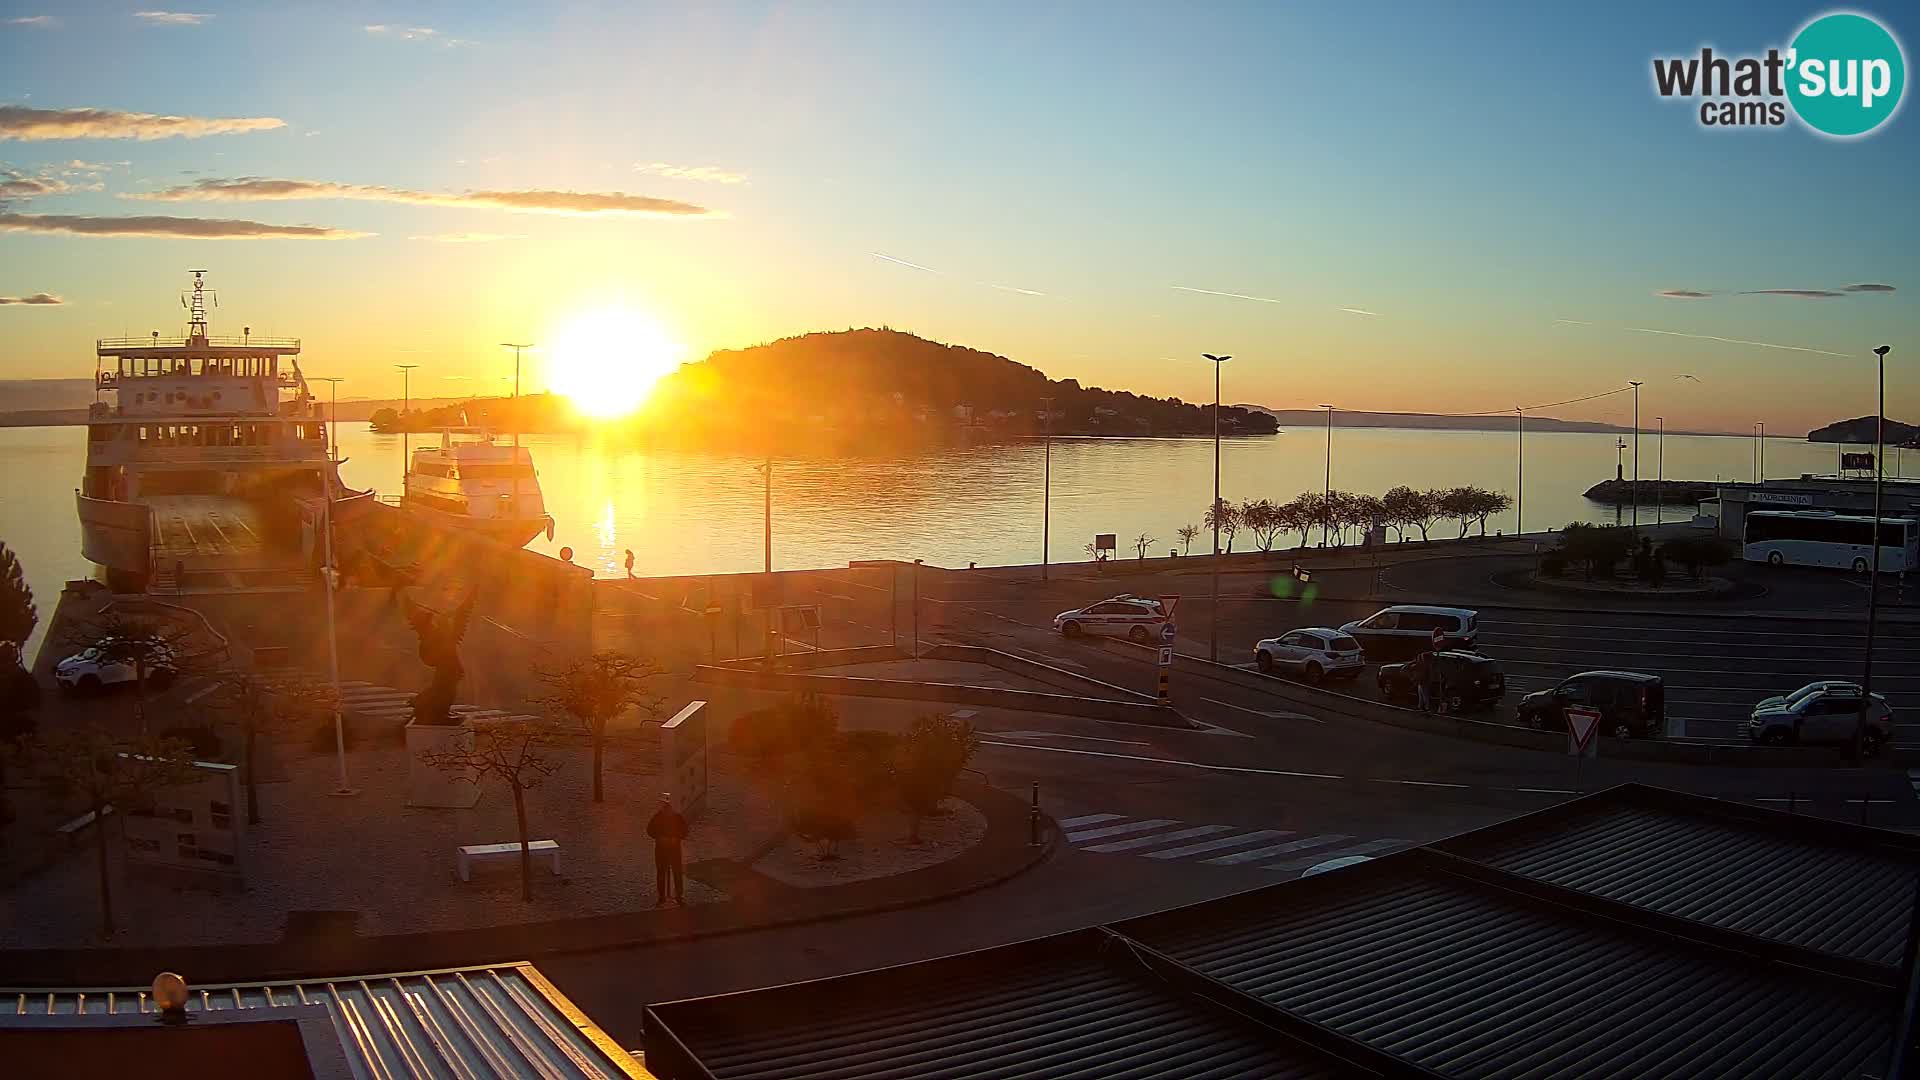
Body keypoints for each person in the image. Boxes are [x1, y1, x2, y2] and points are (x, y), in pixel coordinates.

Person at [647, 793, 689, 905]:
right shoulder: (661, 817)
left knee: (675, 872)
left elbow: (684, 831)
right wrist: (661, 838)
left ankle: (676, 896)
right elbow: (650, 830)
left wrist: (675, 838)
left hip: (670, 849)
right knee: (665, 872)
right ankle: (664, 897)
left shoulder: (674, 817)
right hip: (665, 849)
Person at [1412, 648, 1434, 713]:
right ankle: (1421, 707)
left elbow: (1423, 674)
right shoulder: (1424, 664)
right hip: (1422, 681)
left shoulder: (1425, 665)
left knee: (1424, 695)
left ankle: (1427, 708)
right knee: (1421, 695)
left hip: (1424, 681)